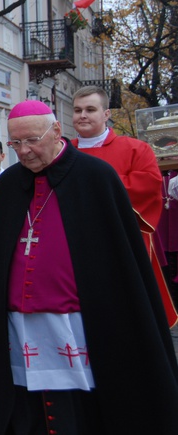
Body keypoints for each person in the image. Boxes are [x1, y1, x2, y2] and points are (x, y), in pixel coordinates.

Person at [0, 100, 178, 435]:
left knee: (83, 410)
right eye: (15, 144)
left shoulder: (96, 177)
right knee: (26, 409)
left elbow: (120, 260)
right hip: (19, 323)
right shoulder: (11, 183)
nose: (24, 151)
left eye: (31, 141)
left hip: (79, 322)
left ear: (57, 131)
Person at [71, 85, 178, 327]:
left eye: (90, 109)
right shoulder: (63, 152)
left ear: (106, 114)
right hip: (72, 241)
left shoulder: (135, 149)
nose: (82, 115)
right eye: (77, 110)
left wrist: (91, 184)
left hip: (120, 241)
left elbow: (147, 187)